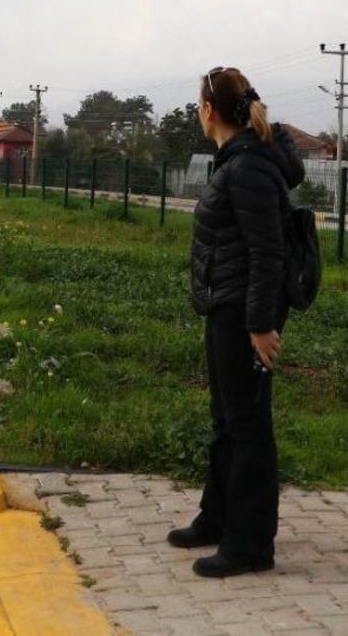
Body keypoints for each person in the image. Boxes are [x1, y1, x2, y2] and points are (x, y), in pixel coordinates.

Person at [168, 67, 304, 578]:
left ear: (209, 111)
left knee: (248, 427)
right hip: (226, 307)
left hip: (243, 314)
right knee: (226, 420)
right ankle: (217, 518)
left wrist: (260, 325)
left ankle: (250, 545)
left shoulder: (247, 167)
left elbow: (267, 253)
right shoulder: (240, 159)